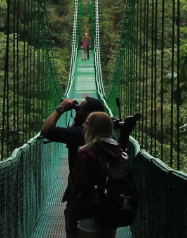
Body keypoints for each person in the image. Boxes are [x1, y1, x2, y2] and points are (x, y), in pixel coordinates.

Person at [41, 96, 136, 238]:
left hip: (86, 208)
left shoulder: (81, 137)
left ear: (88, 117)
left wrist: (61, 108)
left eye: (79, 110)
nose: (83, 124)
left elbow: (46, 131)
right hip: (111, 205)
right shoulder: (114, 145)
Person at [66, 112, 124, 237]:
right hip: (113, 211)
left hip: (90, 212)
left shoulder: (86, 152)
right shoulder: (119, 150)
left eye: (86, 123)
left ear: (94, 128)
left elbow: (78, 184)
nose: (83, 125)